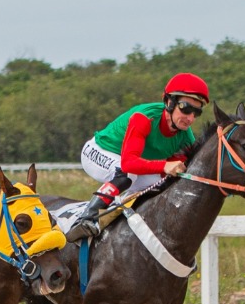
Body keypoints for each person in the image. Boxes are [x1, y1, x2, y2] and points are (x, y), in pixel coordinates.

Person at [61, 73, 208, 242]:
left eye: (196, 112)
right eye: (185, 108)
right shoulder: (144, 118)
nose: (190, 118)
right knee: (127, 174)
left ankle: (125, 220)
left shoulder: (185, 136)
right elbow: (129, 163)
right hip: (99, 152)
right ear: (169, 102)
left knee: (166, 182)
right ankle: (87, 218)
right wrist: (164, 166)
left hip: (131, 163)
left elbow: (194, 170)